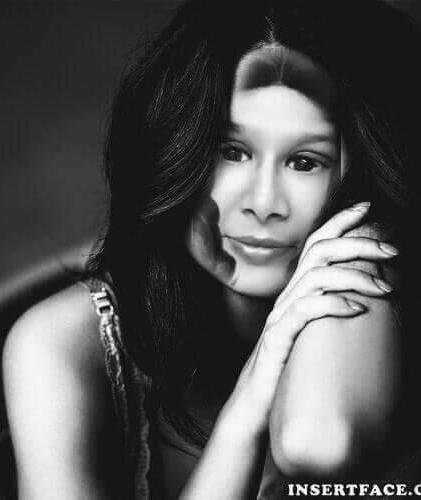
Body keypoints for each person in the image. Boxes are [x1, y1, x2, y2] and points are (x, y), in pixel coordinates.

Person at [3, 0, 421, 498]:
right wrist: (246, 413)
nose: (262, 204)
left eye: (305, 162)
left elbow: (321, 441)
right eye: (232, 152)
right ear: (173, 154)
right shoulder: (60, 346)